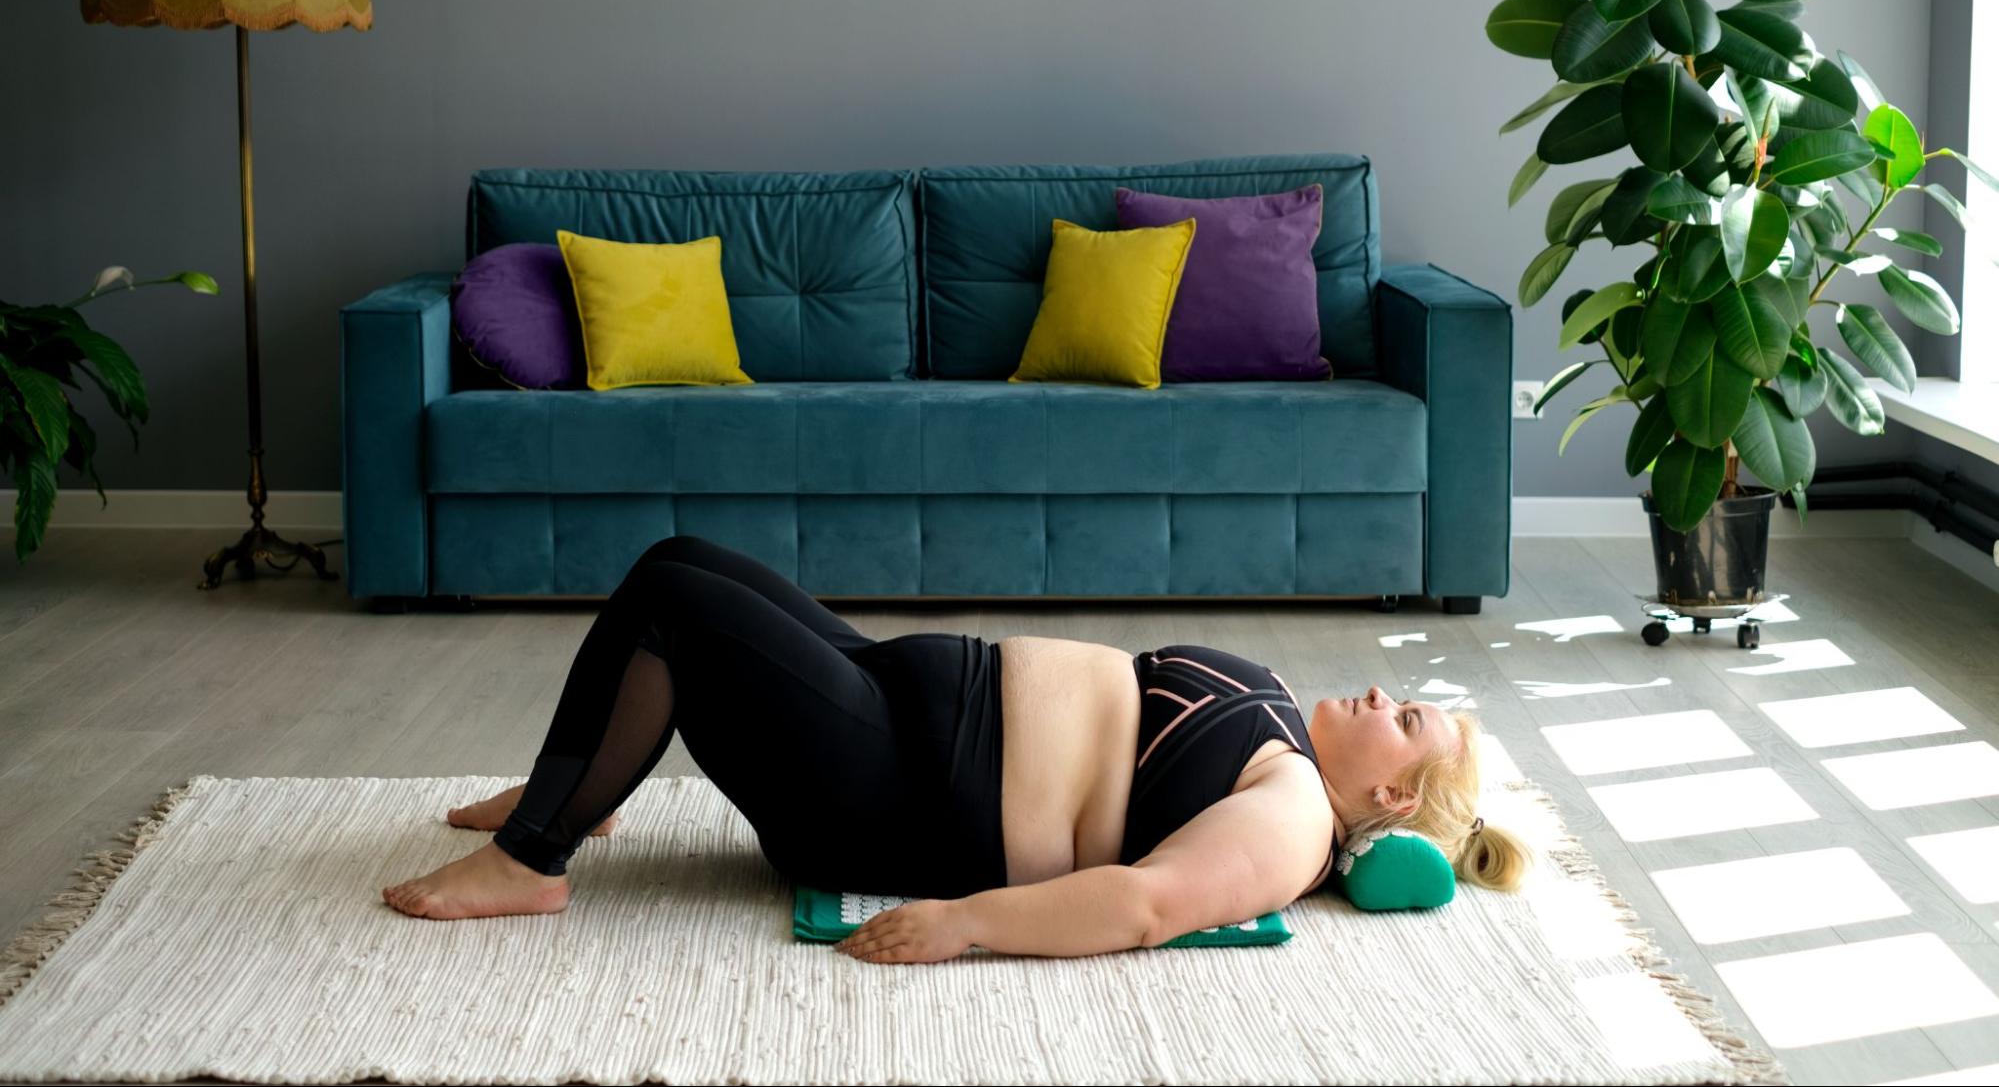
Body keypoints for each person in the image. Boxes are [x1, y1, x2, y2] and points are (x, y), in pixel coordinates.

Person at [382, 535, 1529, 960]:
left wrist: (968, 923)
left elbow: (1144, 903)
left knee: (672, 606)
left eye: (1407, 715)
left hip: (897, 794)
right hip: (901, 698)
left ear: (1386, 786)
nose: (1386, 691)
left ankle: (534, 860)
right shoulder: (1282, 713)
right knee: (679, 560)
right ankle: (569, 789)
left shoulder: (1291, 814)